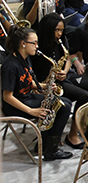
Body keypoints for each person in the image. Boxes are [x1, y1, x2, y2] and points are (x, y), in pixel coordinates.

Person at [2, 26, 72, 161]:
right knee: (63, 107)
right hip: (15, 105)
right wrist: (31, 111)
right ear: (23, 44)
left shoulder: (25, 58)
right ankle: (51, 150)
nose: (37, 46)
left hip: (27, 97)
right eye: (34, 43)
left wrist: (44, 86)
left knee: (65, 102)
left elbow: (25, 82)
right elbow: (7, 96)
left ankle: (45, 144)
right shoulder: (10, 66)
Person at [34, 13, 88, 150]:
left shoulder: (61, 40)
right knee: (64, 104)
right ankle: (49, 140)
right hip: (43, 84)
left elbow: (68, 58)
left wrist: (65, 71)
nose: (59, 33)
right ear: (48, 29)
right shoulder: (37, 44)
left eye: (61, 30)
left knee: (85, 96)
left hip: (60, 81)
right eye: (57, 30)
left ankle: (73, 134)